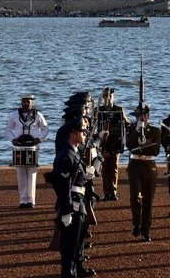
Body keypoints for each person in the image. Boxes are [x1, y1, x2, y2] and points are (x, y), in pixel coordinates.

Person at [53, 116, 96, 277]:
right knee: (69, 246)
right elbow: (63, 185)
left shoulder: (75, 152)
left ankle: (76, 271)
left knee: (77, 243)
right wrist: (66, 210)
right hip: (72, 204)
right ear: (72, 134)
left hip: (80, 201)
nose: (84, 133)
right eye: (82, 131)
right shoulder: (66, 155)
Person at [5, 94, 49, 209]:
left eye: (28, 101)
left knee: (32, 175)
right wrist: (12, 139)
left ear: (32, 102)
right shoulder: (14, 115)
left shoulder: (38, 115)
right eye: (24, 101)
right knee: (20, 175)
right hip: (19, 148)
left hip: (33, 148)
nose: (26, 103)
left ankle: (31, 201)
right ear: (21, 102)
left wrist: (39, 139)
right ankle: (22, 200)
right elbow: (8, 129)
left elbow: (45, 128)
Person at [126, 103, 161, 242]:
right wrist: (137, 131)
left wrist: (142, 142)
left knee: (148, 200)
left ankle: (145, 229)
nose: (139, 118)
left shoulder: (155, 131)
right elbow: (129, 145)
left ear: (147, 116)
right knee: (135, 197)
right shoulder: (130, 129)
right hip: (135, 165)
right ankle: (136, 223)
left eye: (141, 116)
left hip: (149, 166)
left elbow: (155, 151)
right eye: (137, 116)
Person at [98, 87, 130, 201]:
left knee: (114, 168)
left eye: (110, 96)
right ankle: (106, 192)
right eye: (106, 96)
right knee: (105, 168)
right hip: (104, 143)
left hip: (116, 142)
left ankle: (113, 192)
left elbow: (126, 123)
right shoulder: (99, 110)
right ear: (103, 98)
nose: (108, 99)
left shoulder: (119, 109)